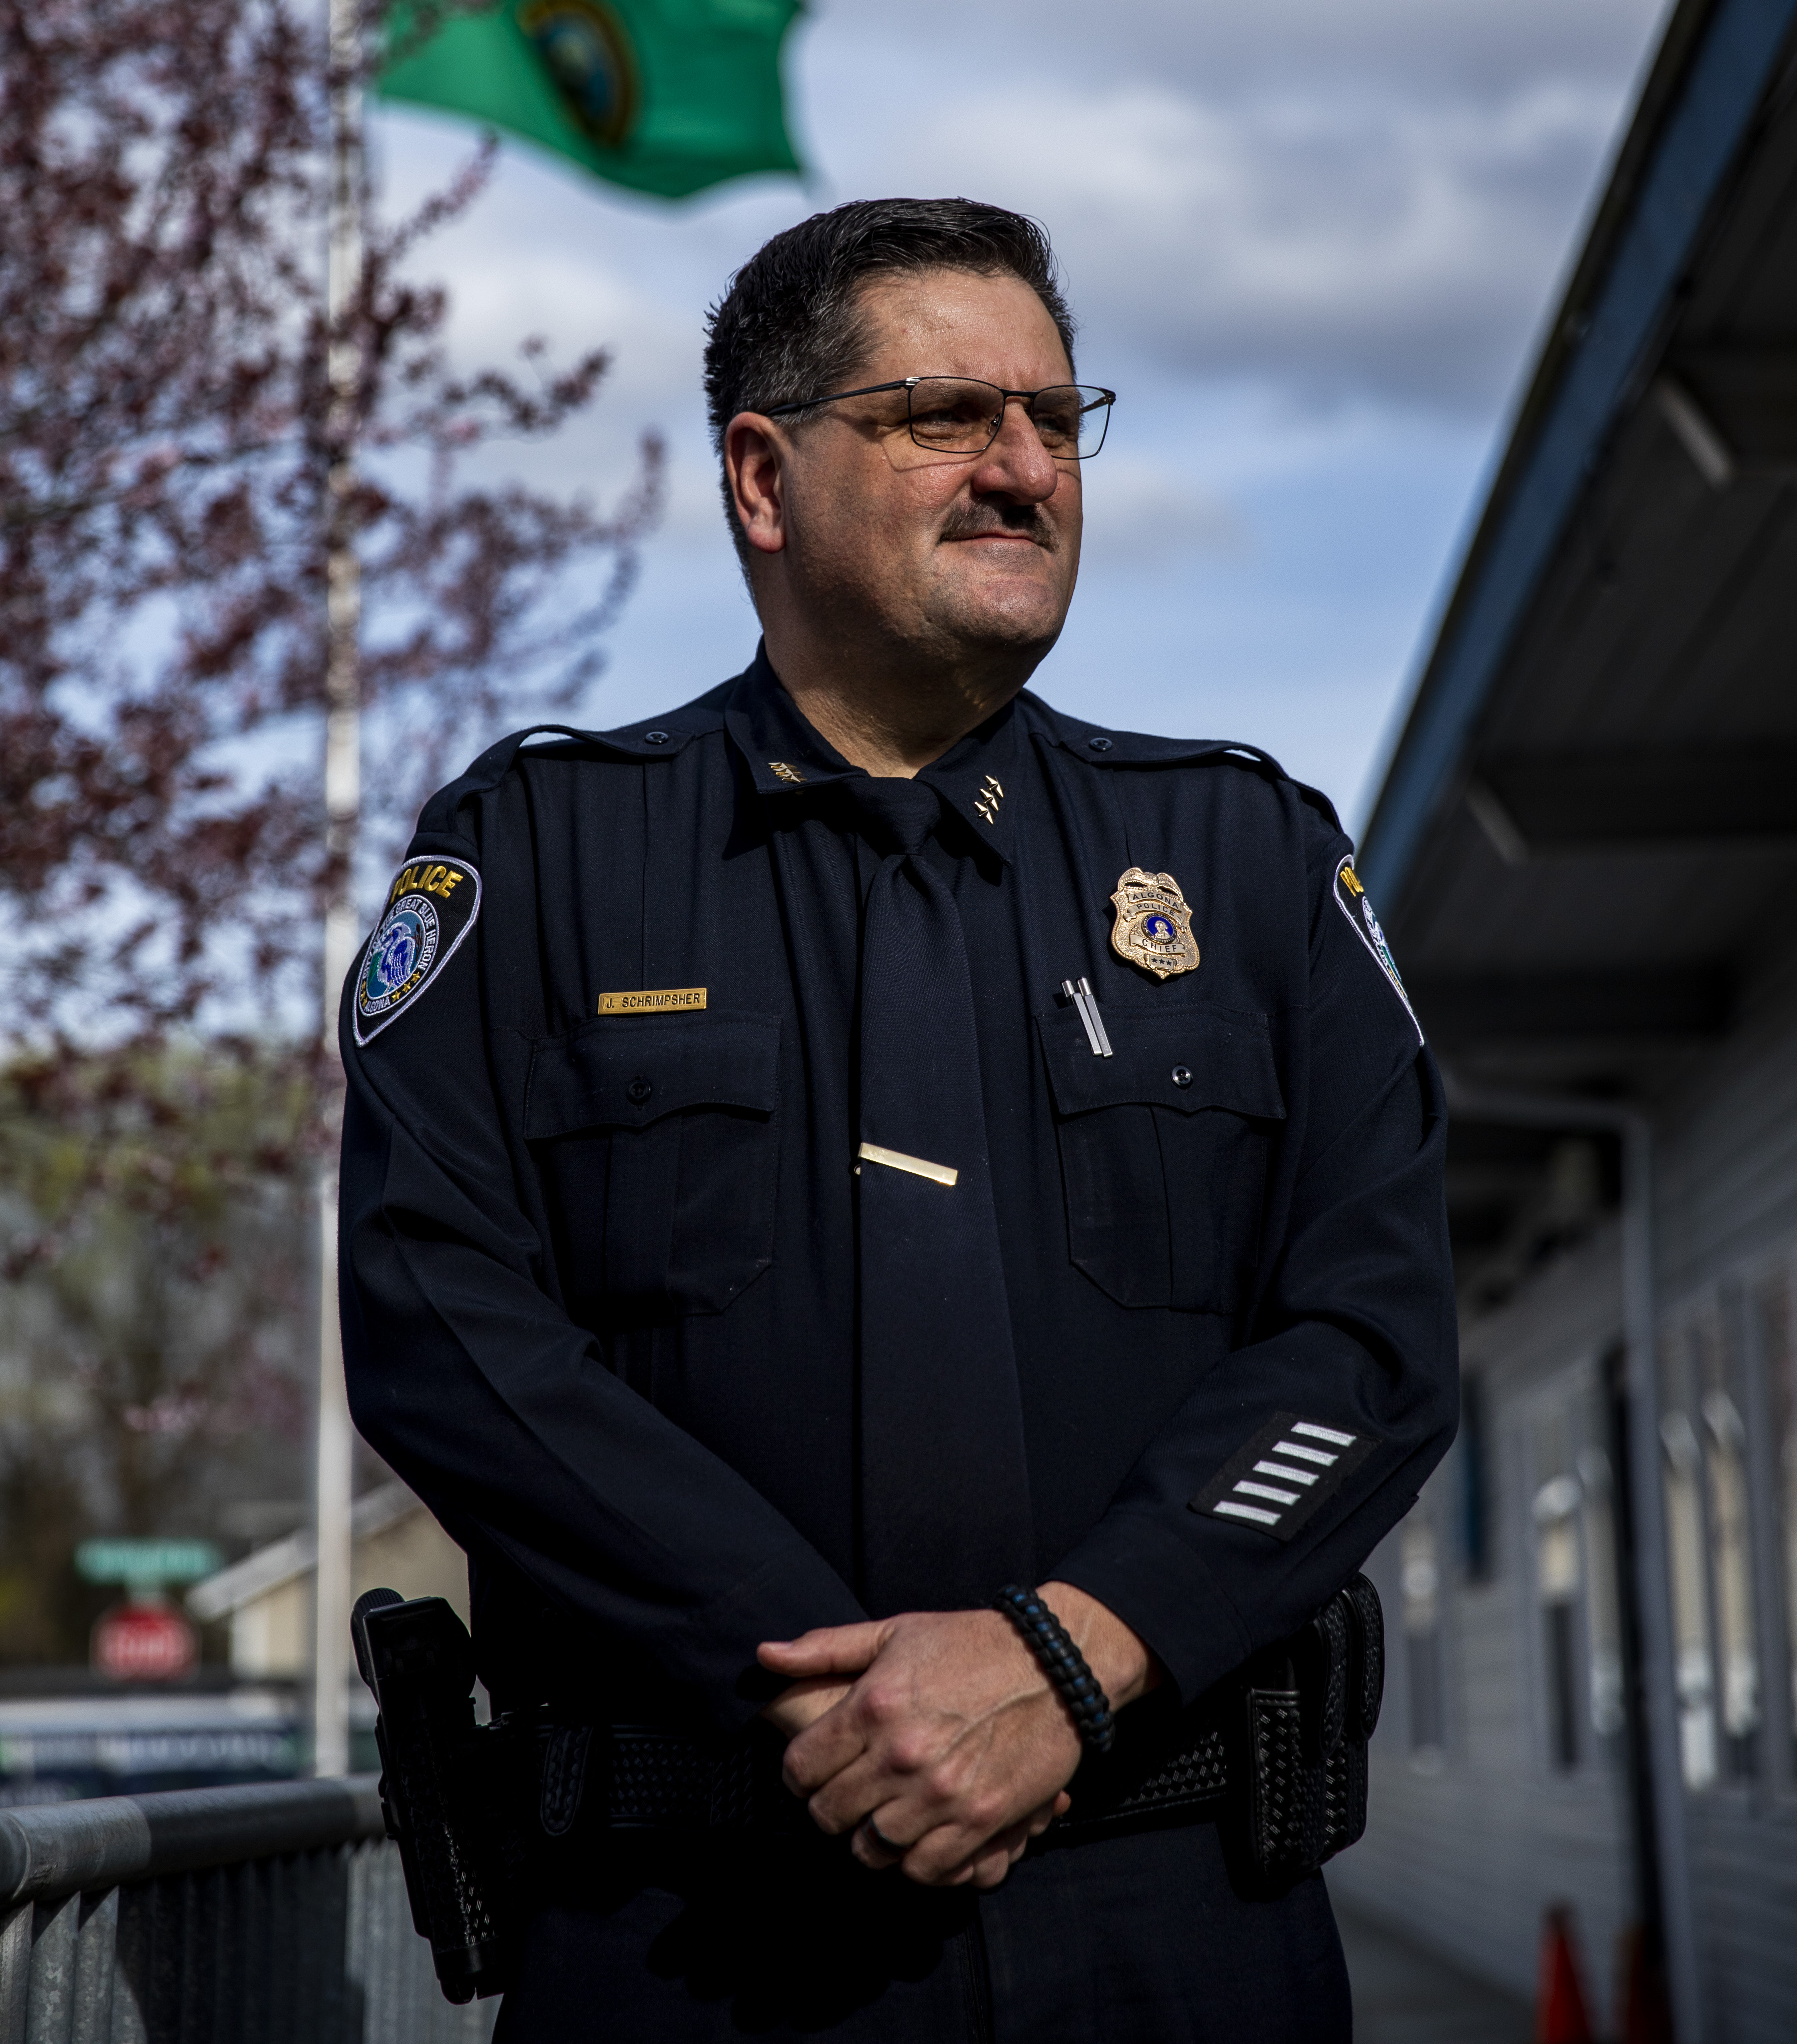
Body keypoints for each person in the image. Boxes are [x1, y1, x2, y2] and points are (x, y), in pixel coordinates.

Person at [338, 196, 1456, 2043]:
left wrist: (1072, 1659)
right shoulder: (537, 864)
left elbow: (1371, 1337)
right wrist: (826, 1694)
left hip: (1176, 1927)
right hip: (701, 1938)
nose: (1025, 468)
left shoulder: (1250, 864)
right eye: (946, 415)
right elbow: (444, 1332)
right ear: (764, 479)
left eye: (1056, 415)